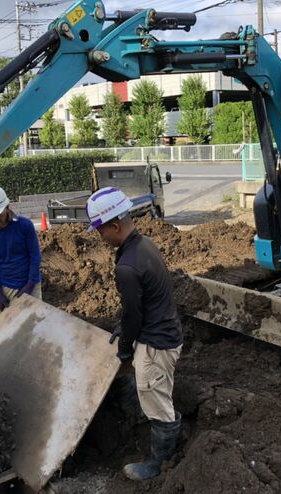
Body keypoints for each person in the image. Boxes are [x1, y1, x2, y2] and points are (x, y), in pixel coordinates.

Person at [86, 186, 183, 481]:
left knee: (158, 403)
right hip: (164, 330)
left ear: (115, 226)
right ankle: (149, 412)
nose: (101, 237)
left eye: (101, 231)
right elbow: (143, 302)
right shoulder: (143, 245)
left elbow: (133, 314)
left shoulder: (127, 266)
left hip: (156, 343)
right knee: (154, 390)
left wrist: (126, 345)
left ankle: (159, 463)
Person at [0, 184, 42, 331]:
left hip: (30, 283)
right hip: (3, 286)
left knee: (34, 329)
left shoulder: (24, 226)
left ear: (7, 207)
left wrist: (30, 284)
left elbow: (35, 256)